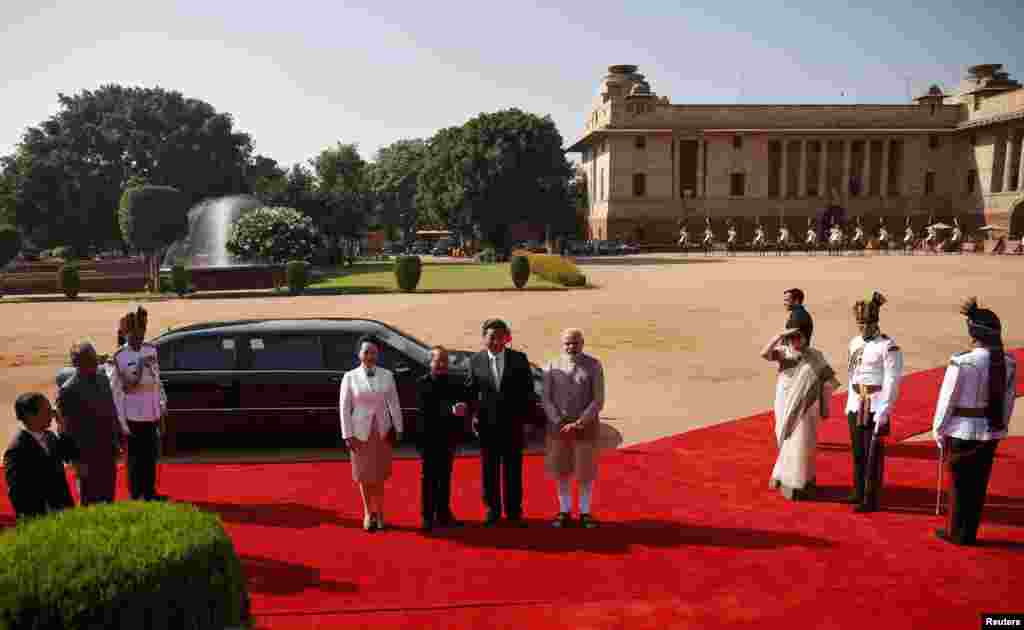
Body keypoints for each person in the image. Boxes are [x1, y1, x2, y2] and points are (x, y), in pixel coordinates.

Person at [932, 297, 1017, 545]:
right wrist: (1001, 426)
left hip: (962, 431)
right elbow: (1008, 400)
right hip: (990, 432)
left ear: (973, 333)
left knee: (958, 486)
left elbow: (947, 399)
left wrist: (939, 430)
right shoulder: (1008, 362)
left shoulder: (963, 362)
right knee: (978, 487)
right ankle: (969, 531)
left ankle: (956, 532)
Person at [466, 319, 537, 527]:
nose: (496, 342)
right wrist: (471, 415)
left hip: (513, 424)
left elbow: (528, 392)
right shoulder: (476, 360)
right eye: (491, 337)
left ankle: (514, 510)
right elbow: (471, 391)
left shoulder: (519, 359)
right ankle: (492, 509)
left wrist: (528, 421)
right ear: (484, 338)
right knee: (489, 469)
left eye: (500, 337)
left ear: (506, 337)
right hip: (487, 425)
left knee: (513, 469)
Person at [760, 327, 839, 500]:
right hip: (784, 403)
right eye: (792, 337)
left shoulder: (815, 356)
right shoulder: (783, 352)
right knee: (783, 437)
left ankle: (801, 480)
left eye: (799, 337)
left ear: (805, 337)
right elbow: (764, 354)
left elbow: (829, 382)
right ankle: (782, 474)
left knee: (804, 442)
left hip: (807, 406)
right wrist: (778, 336)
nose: (796, 340)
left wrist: (825, 405)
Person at [845, 292, 904, 513]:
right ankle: (858, 490)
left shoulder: (888, 346)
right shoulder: (854, 342)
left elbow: (892, 380)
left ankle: (871, 497)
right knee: (858, 450)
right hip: (856, 403)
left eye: (867, 323)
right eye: (860, 323)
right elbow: (852, 374)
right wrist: (850, 403)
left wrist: (885, 410)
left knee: (873, 453)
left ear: (875, 322)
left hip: (875, 404)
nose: (862, 328)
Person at [542, 329, 606, 528]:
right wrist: (558, 421)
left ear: (582, 343)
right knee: (562, 472)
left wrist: (580, 422)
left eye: (575, 343)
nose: (571, 347)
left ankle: (585, 512)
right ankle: (564, 511)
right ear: (562, 344)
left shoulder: (594, 365)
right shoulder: (551, 365)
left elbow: (598, 399)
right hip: (558, 428)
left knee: (585, 473)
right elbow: (546, 398)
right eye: (567, 343)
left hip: (585, 427)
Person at [339, 336, 404, 532]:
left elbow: (394, 404)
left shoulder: (387, 375)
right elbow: (344, 408)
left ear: (378, 354)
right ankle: (368, 513)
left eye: (373, 352)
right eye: (366, 352)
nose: (370, 356)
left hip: (382, 431)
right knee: (364, 475)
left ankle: (381, 513)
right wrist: (347, 434)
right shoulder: (349, 377)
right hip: (359, 433)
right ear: (359, 354)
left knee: (379, 476)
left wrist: (399, 428)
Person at [57, 341, 124, 505]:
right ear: (77, 363)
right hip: (85, 455)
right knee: (89, 499)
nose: (95, 361)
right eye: (89, 358)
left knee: (108, 496)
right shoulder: (68, 390)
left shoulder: (102, 379)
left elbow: (111, 410)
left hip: (107, 449)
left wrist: (118, 441)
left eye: (94, 356)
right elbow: (64, 429)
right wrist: (75, 461)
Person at [111, 307, 167, 501]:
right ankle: (136, 495)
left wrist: (161, 408)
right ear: (126, 333)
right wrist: (120, 421)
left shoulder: (151, 350)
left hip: (151, 412)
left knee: (150, 456)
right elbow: (117, 391)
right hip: (132, 415)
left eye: (142, 332)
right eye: (135, 333)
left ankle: (150, 492)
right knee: (134, 460)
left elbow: (157, 381)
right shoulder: (120, 356)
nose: (139, 337)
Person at [416, 346, 468, 531]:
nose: (442, 364)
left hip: (448, 438)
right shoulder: (422, 383)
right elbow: (426, 409)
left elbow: (463, 403)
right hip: (428, 439)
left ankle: (444, 513)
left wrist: (463, 408)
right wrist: (450, 410)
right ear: (430, 362)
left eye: (445, 360)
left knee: (445, 477)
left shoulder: (454, 383)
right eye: (438, 360)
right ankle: (427, 516)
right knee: (429, 478)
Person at [4, 392, 78, 520]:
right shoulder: (16, 449)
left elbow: (69, 455)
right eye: (47, 410)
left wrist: (62, 426)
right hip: (42, 517)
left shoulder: (50, 437)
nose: (52, 414)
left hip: (64, 510)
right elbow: (17, 494)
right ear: (30, 416)